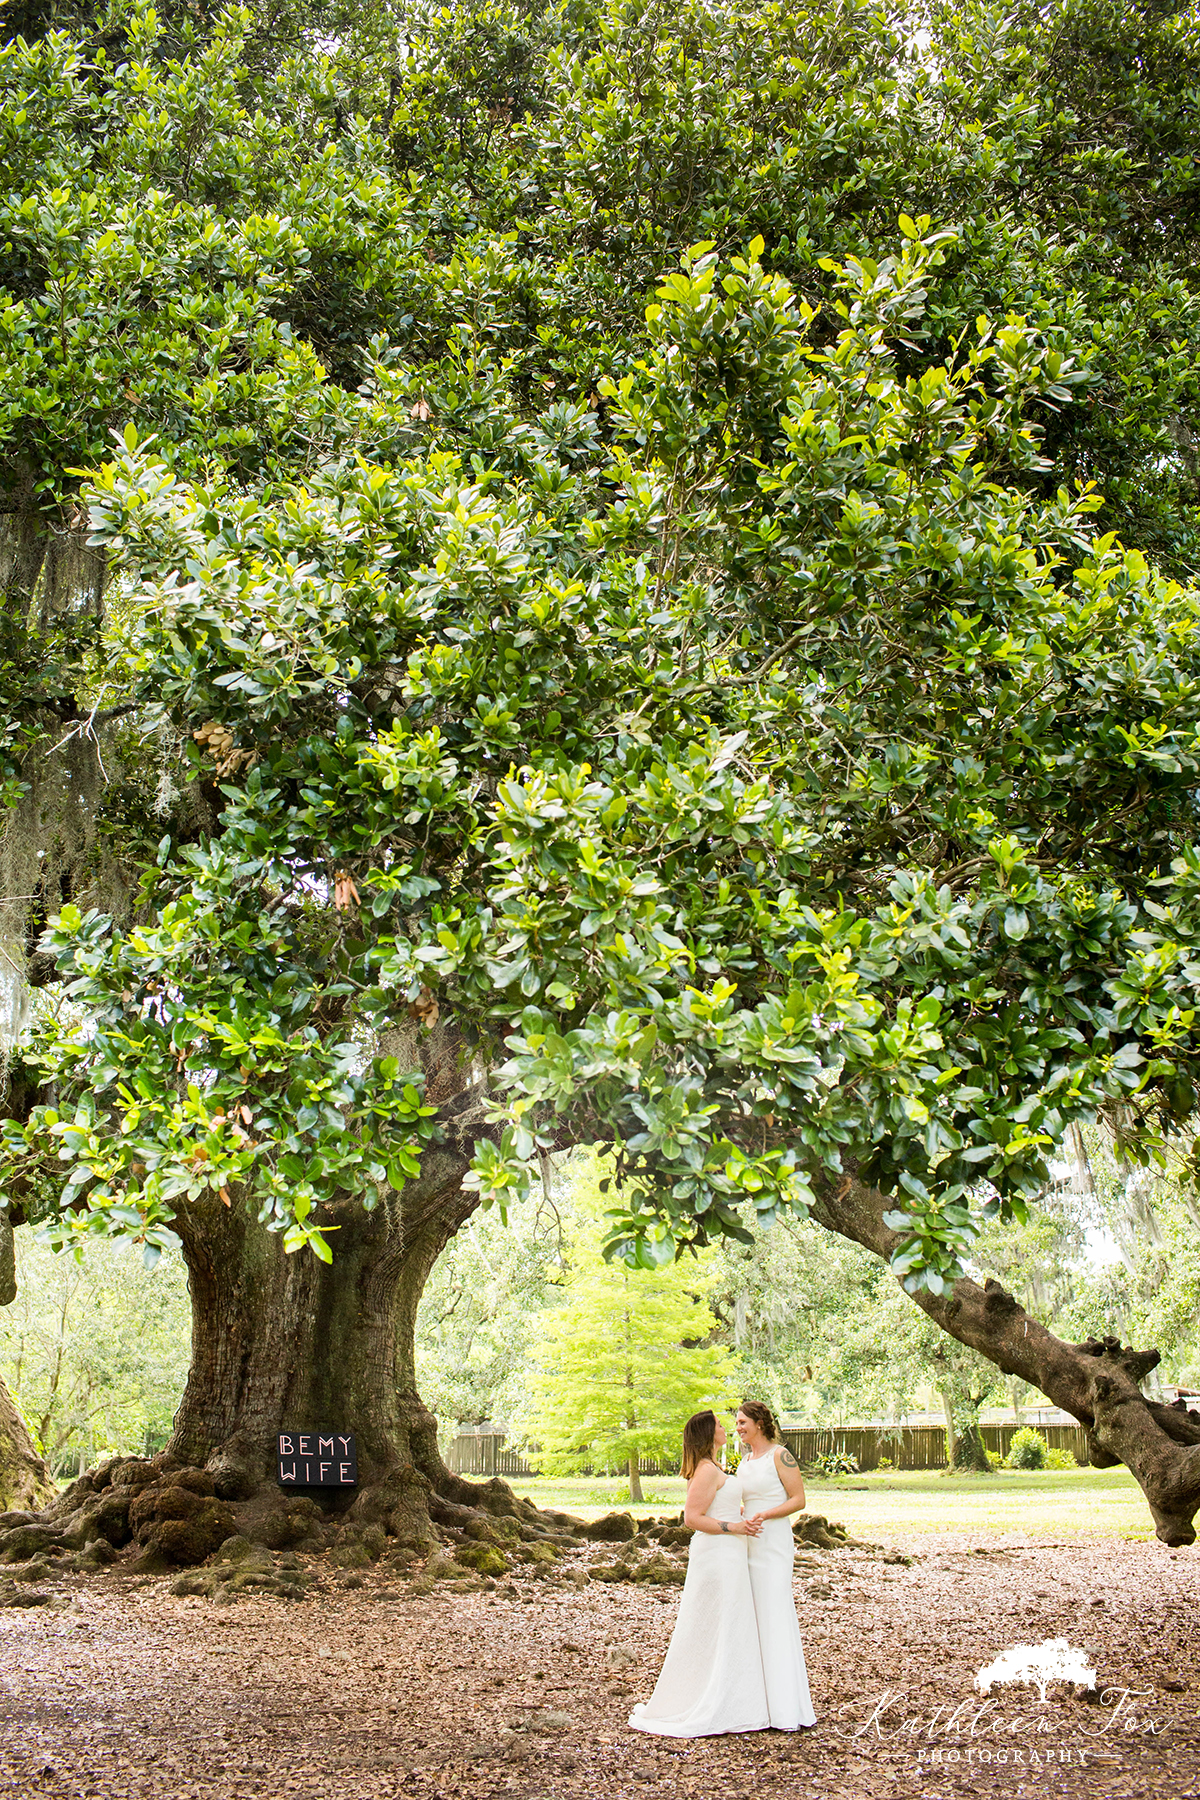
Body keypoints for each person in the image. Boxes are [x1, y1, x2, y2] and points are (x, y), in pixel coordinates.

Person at [628, 1409, 770, 1738]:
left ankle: (734, 1696)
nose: (726, 1428)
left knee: (729, 1623)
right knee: (718, 1621)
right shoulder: (706, 1470)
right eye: (721, 1425)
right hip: (717, 1554)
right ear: (709, 1434)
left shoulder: (715, 1467)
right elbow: (691, 1518)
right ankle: (714, 1700)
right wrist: (733, 1526)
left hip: (730, 1552)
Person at [735, 1399, 817, 1730]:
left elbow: (798, 1499)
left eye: (743, 1422)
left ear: (759, 1423)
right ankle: (757, 1701)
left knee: (774, 1612)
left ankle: (785, 1706)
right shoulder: (745, 1459)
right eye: (737, 1423)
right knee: (753, 1615)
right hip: (749, 1540)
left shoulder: (779, 1455)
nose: (738, 1428)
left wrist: (766, 1514)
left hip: (773, 1541)